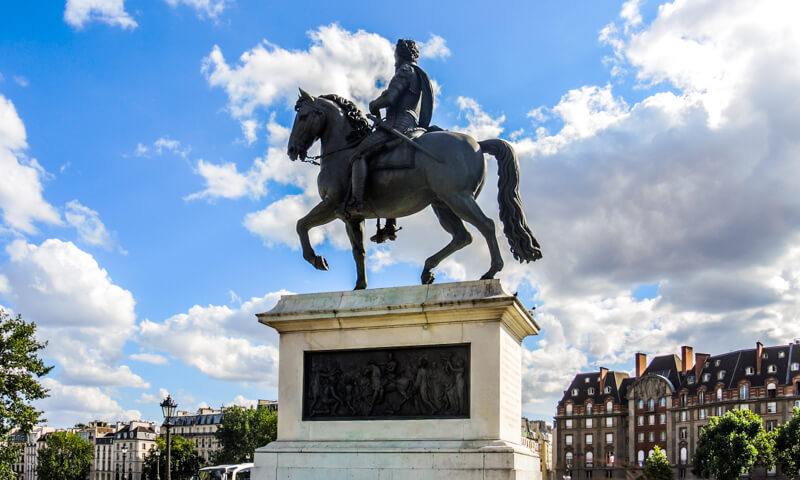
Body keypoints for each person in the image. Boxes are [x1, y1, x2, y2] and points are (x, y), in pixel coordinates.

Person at [343, 39, 434, 241]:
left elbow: (391, 98)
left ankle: (357, 202)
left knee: (358, 154)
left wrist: (374, 104)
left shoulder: (404, 71)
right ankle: (390, 224)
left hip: (397, 124)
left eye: (395, 55)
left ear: (399, 55)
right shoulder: (419, 74)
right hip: (411, 123)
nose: (395, 59)